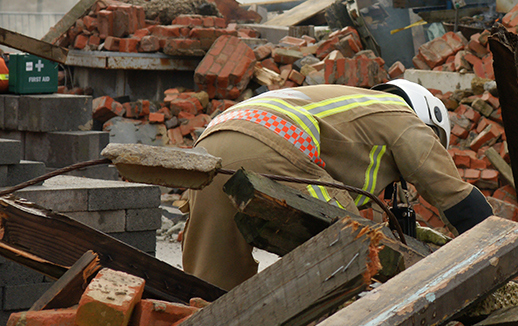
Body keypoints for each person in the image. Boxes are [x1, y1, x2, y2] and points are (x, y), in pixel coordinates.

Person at [181, 79, 493, 289]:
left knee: (209, 286)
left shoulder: (346, 105)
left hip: (212, 144)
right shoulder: (401, 114)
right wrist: (496, 248)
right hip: (275, 141)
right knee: (353, 259)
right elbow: (455, 196)